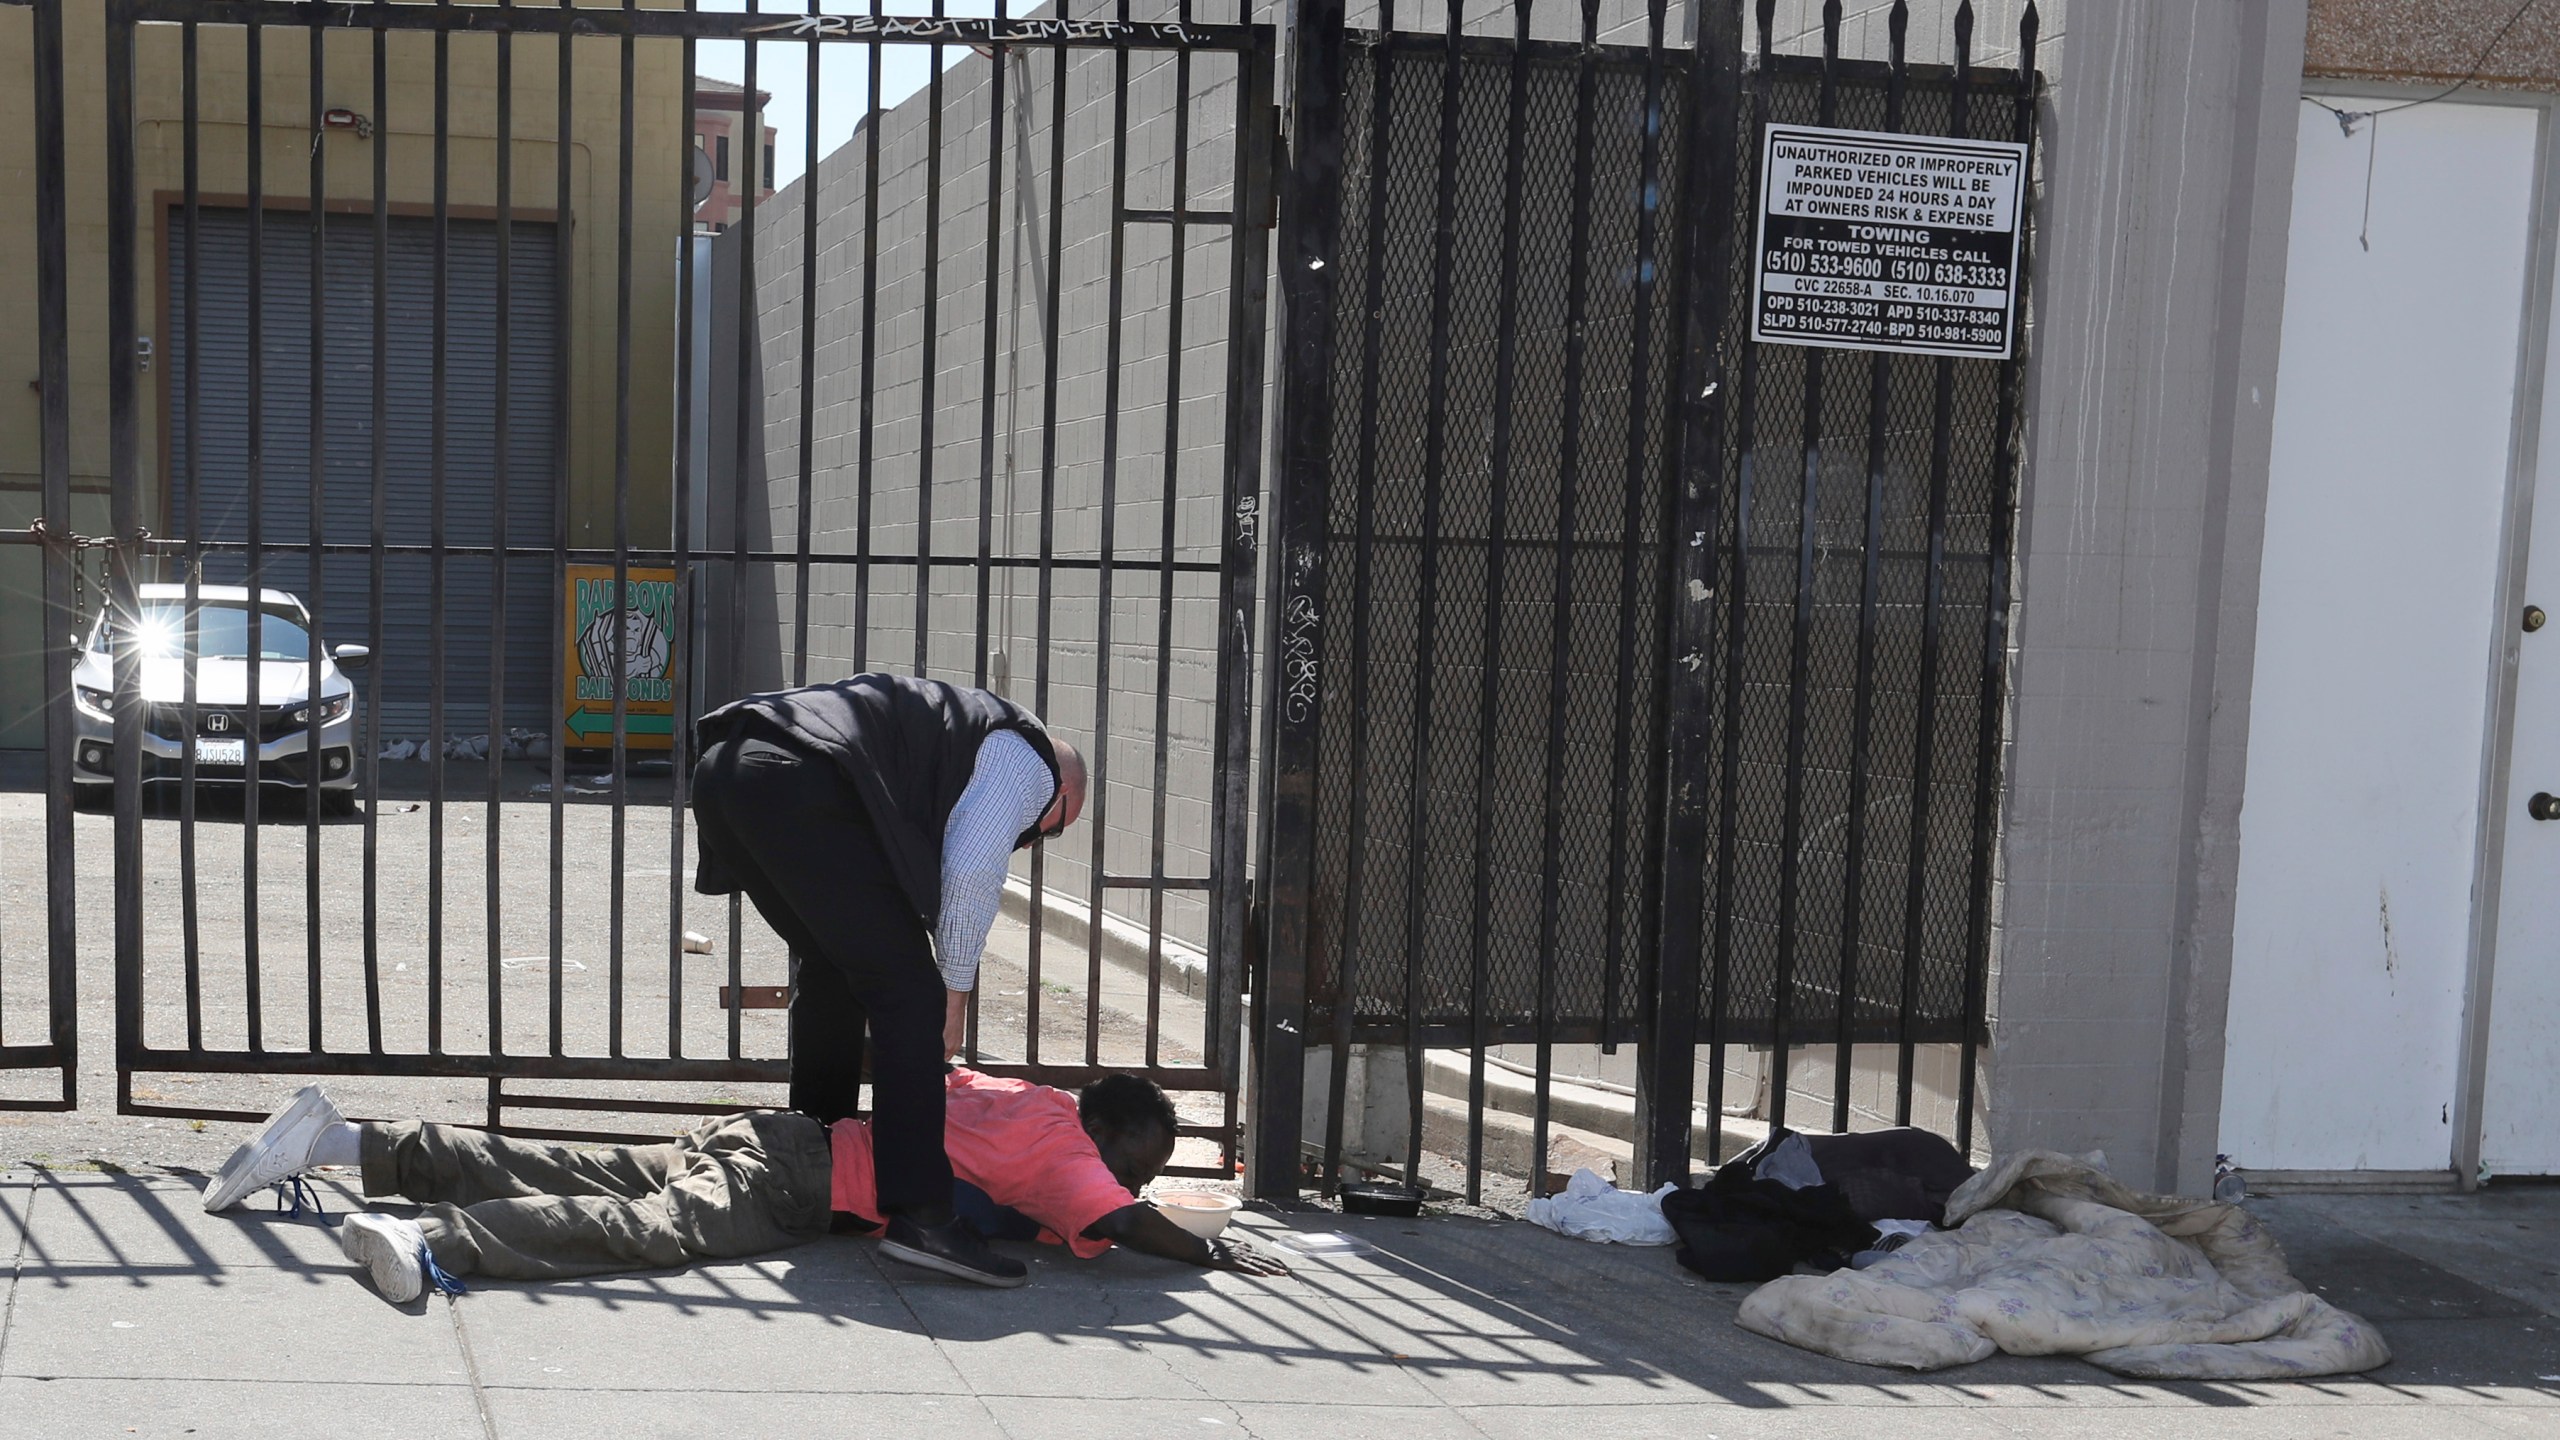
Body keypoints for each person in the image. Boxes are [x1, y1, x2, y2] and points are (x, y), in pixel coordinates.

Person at [197, 1070, 1287, 1303]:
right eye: (1136, 1158)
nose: (1134, 1178)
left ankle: (342, 1141)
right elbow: (1123, 1223)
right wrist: (1214, 1248)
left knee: (567, 1162)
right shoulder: (1073, 1161)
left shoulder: (1035, 1102)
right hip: (792, 1183)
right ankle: (433, 1243)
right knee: (646, 1232)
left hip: (778, 1134)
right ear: (1107, 1136)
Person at [686, 672, 1087, 1287]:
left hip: (725, 770)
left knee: (833, 967)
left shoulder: (946, 739)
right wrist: (953, 995)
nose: (1035, 839)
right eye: (1051, 829)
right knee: (911, 996)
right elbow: (973, 869)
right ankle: (924, 1218)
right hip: (795, 779)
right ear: (1060, 794)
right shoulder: (1027, 757)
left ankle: (818, 1165)